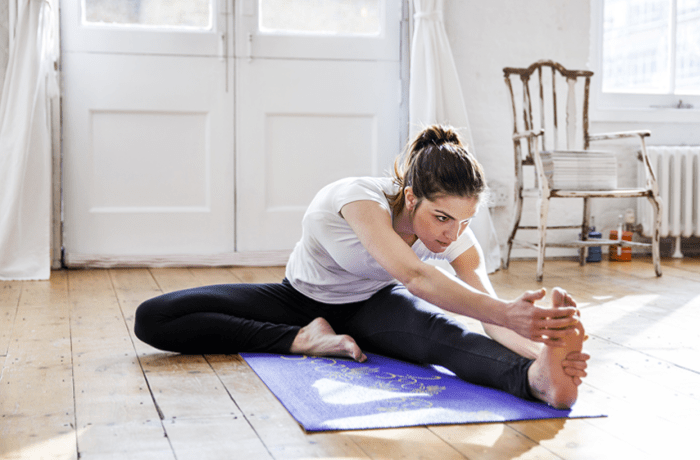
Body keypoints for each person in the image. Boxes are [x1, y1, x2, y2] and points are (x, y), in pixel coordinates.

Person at [134, 124, 589, 409]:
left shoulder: (455, 232)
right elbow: (414, 275)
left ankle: (536, 383)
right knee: (154, 317)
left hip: (370, 306)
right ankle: (301, 339)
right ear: (411, 197)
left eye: (464, 221)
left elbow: (487, 312)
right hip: (297, 300)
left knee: (443, 338)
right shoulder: (358, 198)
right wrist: (509, 312)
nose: (452, 234)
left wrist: (538, 351)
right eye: (443, 218)